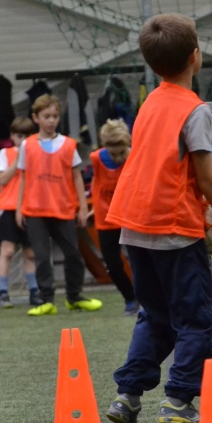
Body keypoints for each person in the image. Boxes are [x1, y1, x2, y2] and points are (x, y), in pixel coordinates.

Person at [103, 13, 212, 423]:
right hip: (172, 227)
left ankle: (127, 398)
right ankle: (178, 401)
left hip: (134, 226)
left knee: (155, 316)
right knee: (197, 319)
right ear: (196, 57)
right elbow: (207, 178)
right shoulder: (195, 110)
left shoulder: (150, 101)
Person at [15, 94, 101, 316]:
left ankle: (74, 297)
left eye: (54, 116)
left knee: (73, 254)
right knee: (42, 257)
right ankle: (46, 300)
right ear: (36, 118)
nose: (51, 120)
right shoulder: (27, 145)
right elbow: (23, 177)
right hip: (35, 210)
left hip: (64, 209)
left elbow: (77, 177)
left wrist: (82, 207)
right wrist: (18, 208)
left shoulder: (68, 144)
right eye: (46, 116)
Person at [89, 118, 138, 316]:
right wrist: (92, 205)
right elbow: (96, 181)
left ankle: (147, 298)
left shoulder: (135, 155)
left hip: (131, 215)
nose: (117, 156)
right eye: (112, 151)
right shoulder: (96, 158)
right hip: (106, 216)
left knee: (139, 260)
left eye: (121, 150)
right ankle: (129, 298)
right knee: (112, 263)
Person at [0, 116, 40, 307]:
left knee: (30, 253)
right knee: (7, 251)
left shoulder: (36, 152)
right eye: (19, 136)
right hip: (9, 207)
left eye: (27, 136)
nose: (23, 140)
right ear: (12, 136)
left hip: (29, 207)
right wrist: (19, 159)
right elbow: (3, 179)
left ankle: (34, 291)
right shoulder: (5, 153)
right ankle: (3, 292)